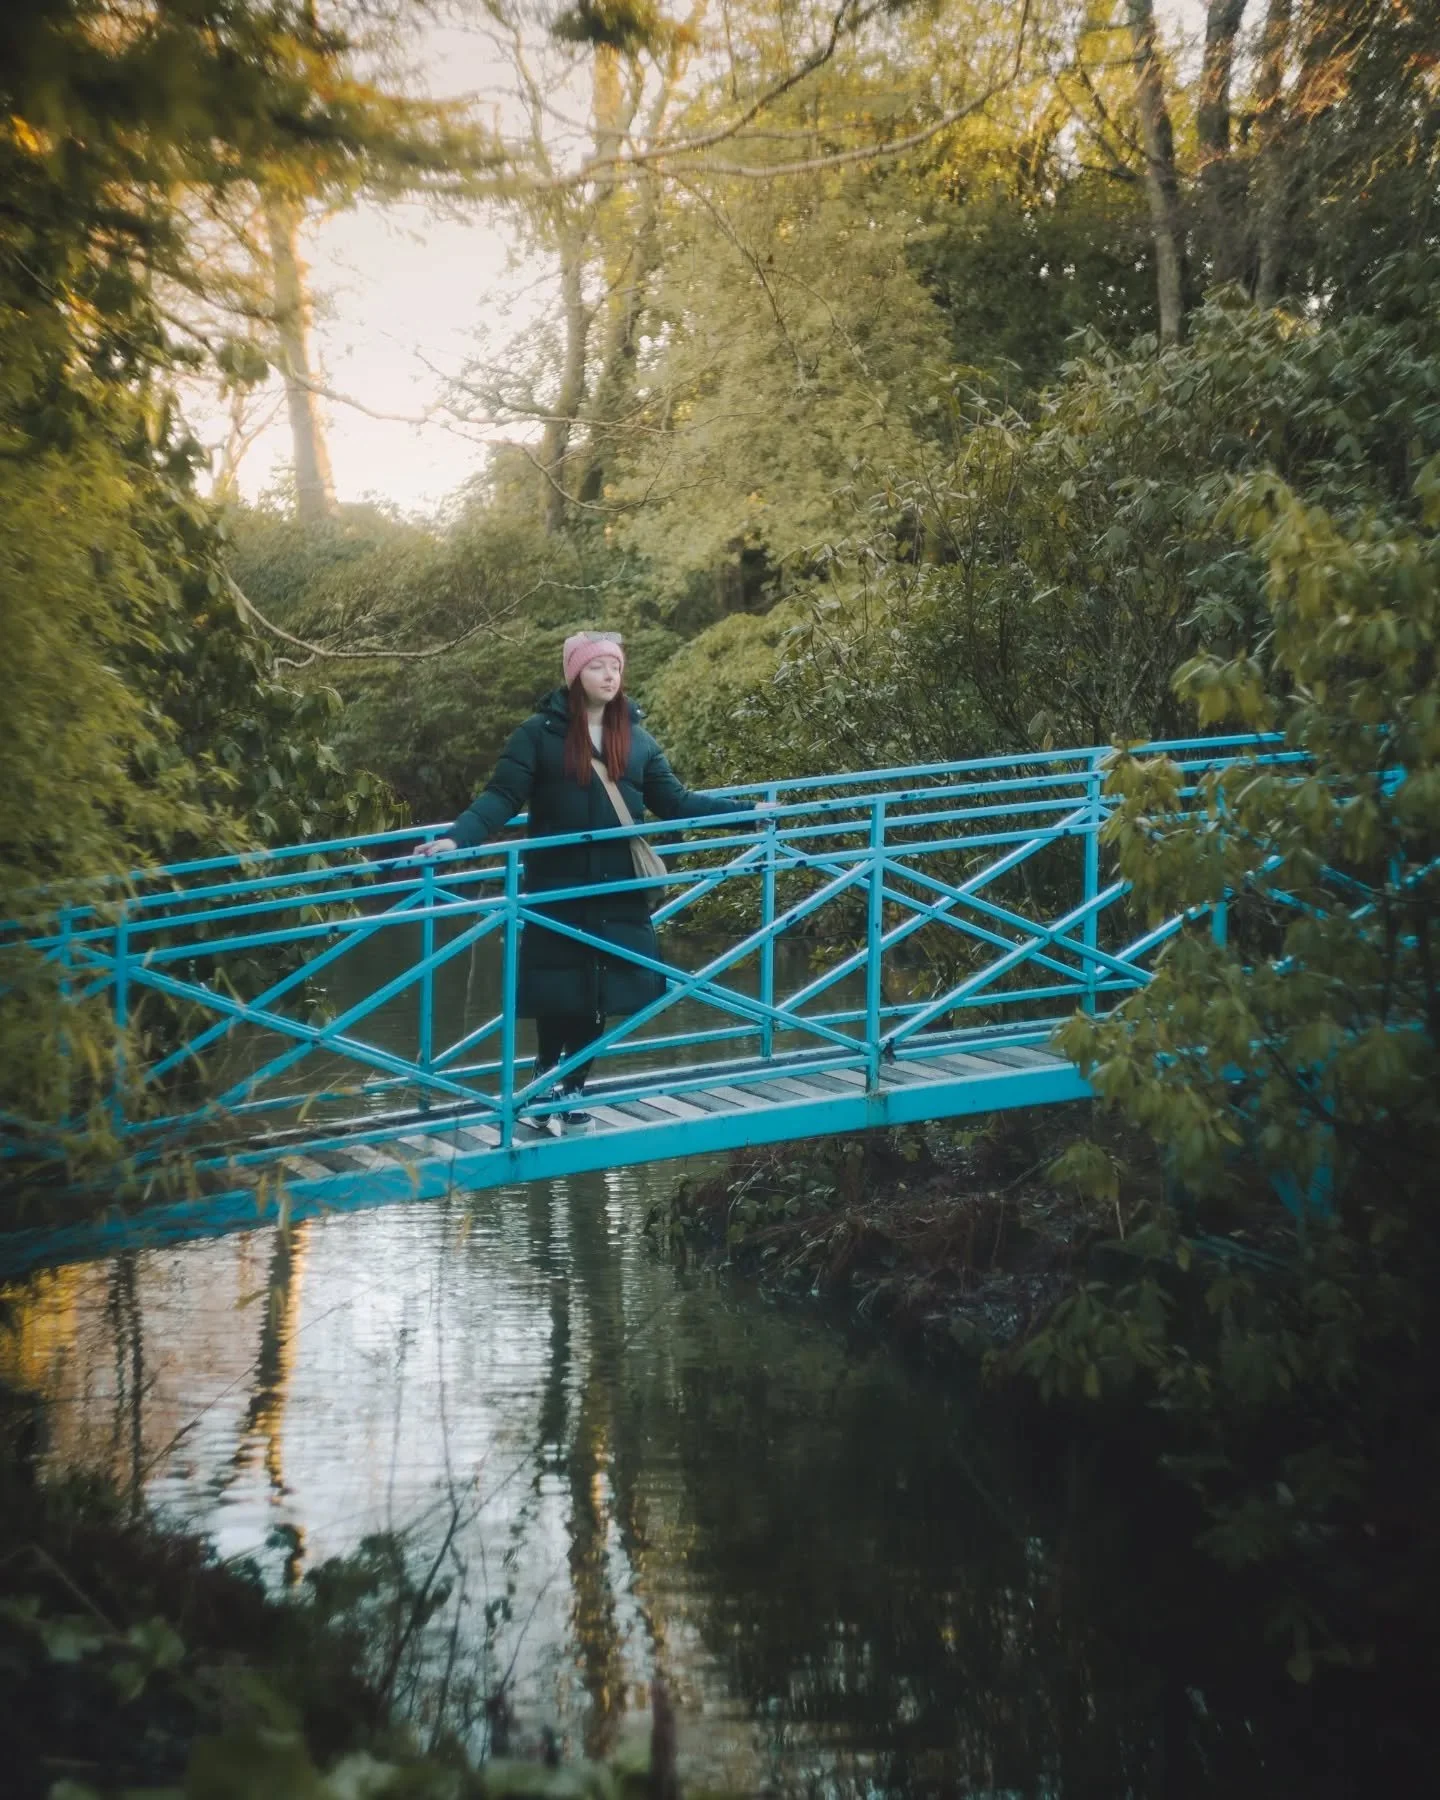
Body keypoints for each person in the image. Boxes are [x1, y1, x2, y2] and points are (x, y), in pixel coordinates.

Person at [421, 632, 757, 1126]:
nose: (609, 675)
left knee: (603, 995)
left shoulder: (637, 741)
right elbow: (500, 798)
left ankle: (571, 1087)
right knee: (560, 994)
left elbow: (678, 804)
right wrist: (457, 840)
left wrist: (750, 814)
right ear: (575, 674)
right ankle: (541, 1081)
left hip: (617, 891)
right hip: (558, 889)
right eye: (598, 666)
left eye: (615, 668)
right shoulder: (537, 735)